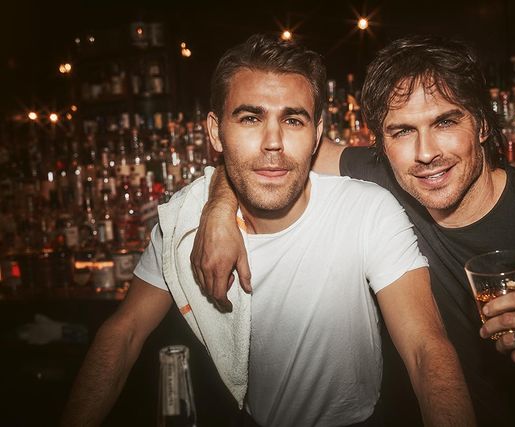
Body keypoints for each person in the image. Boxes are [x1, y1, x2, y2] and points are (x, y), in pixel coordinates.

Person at [191, 35, 515, 426]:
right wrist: (219, 208)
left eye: (445, 121)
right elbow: (266, 154)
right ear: (382, 143)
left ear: (483, 123)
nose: (425, 153)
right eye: (402, 131)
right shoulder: (383, 176)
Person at [62, 34, 474, 427]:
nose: (272, 142)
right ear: (215, 131)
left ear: (317, 133)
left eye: (292, 120)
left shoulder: (367, 210)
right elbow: (123, 333)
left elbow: (426, 349)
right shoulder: (184, 224)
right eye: (250, 118)